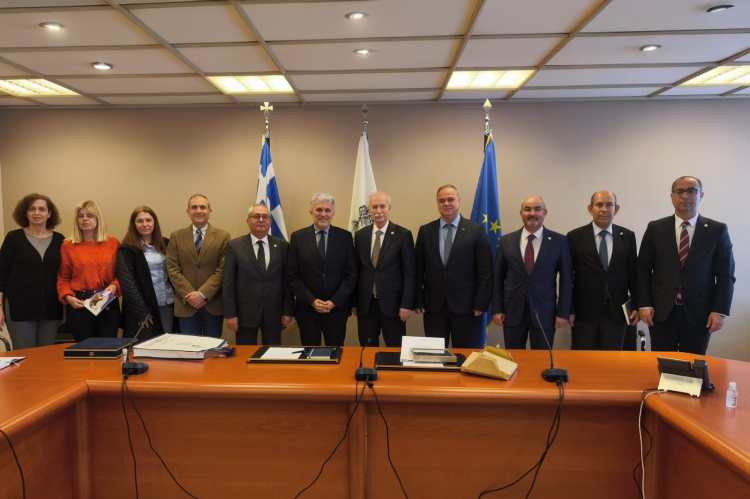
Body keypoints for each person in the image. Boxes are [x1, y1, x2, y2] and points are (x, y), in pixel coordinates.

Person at [637, 176, 735, 355]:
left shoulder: (717, 230)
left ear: (701, 195)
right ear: (672, 196)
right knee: (662, 362)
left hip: (700, 311)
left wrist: (720, 311)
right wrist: (644, 304)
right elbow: (642, 269)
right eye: (679, 192)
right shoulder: (655, 228)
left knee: (692, 364)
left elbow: (725, 275)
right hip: (661, 311)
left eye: (691, 191)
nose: (685, 196)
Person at [414, 185, 493, 348]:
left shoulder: (476, 230)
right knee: (435, 354)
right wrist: (418, 299)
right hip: (433, 306)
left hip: (467, 307)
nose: (446, 203)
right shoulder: (425, 231)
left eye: (451, 199)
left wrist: (480, 303)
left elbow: (485, 271)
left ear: (459, 200)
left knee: (464, 354)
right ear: (437, 203)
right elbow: (417, 270)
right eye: (441, 200)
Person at [492, 197, 572, 350]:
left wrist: (563, 313)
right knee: (514, 358)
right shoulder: (506, 241)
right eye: (527, 209)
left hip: (545, 311)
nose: (532, 213)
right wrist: (497, 309)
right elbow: (498, 279)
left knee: (542, 359)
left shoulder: (559, 241)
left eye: (537, 209)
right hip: (512, 311)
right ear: (521, 213)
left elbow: (566, 281)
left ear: (545, 213)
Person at [567, 191, 638, 350]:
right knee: (583, 359)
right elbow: (568, 277)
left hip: (617, 312)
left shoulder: (627, 236)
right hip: (584, 312)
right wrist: (568, 309)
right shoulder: (574, 237)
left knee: (612, 360)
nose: (604, 209)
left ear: (616, 209)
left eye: (609, 205)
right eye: (599, 205)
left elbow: (633, 275)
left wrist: (636, 305)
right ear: (590, 209)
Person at [287, 193, 357, 346]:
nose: (323, 214)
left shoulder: (345, 237)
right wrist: (311, 300)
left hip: (336, 310)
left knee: (336, 352)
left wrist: (334, 301)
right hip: (307, 310)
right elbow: (292, 275)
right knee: (310, 354)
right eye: (319, 210)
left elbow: (351, 275)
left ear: (333, 214)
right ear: (311, 213)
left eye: (327, 210)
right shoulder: (298, 237)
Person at [0, 194, 65, 349]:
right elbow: (1, 275)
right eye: (32, 209)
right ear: (26, 213)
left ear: (49, 214)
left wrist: (64, 308)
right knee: (24, 354)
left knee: (46, 354)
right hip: (19, 307)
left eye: (42, 209)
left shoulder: (59, 240)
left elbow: (63, 276)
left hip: (51, 307)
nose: (37, 213)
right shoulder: (13, 238)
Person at [224, 204, 293, 345]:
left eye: (265, 217)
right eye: (256, 216)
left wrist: (287, 311)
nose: (261, 220)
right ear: (248, 221)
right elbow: (228, 283)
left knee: (273, 353)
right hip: (244, 313)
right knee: (245, 354)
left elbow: (287, 281)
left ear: (270, 222)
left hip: (274, 312)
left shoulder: (282, 246)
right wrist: (230, 314)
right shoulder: (235, 246)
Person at [353, 192, 415, 347]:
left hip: (394, 306)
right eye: (374, 207)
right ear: (369, 209)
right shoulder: (360, 235)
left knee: (395, 350)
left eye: (382, 206)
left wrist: (406, 303)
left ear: (389, 208)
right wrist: (354, 302)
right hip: (366, 305)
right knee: (367, 348)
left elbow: (409, 273)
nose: (379, 210)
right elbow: (356, 271)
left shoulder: (403, 234)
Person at [166, 194, 230, 338]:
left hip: (213, 303)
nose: (198, 211)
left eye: (203, 207)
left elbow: (223, 270)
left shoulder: (223, 236)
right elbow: (173, 269)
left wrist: (202, 294)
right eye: (194, 207)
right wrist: (191, 295)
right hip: (186, 303)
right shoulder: (176, 236)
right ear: (188, 212)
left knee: (212, 348)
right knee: (189, 348)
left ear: (210, 211)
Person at [57, 200, 121, 342]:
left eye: (89, 215)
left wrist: (115, 285)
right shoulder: (68, 246)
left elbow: (123, 274)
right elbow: (63, 278)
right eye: (81, 216)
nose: (85, 219)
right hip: (80, 303)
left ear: (98, 219)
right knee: (84, 349)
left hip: (107, 301)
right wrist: (68, 297)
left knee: (107, 347)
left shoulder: (113, 243)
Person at [116, 206, 175, 340]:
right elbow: (128, 285)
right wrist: (141, 312)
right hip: (142, 308)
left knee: (167, 343)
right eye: (140, 221)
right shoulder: (127, 249)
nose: (145, 224)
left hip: (167, 303)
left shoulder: (166, 243)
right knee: (145, 347)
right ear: (133, 224)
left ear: (154, 222)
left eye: (148, 220)